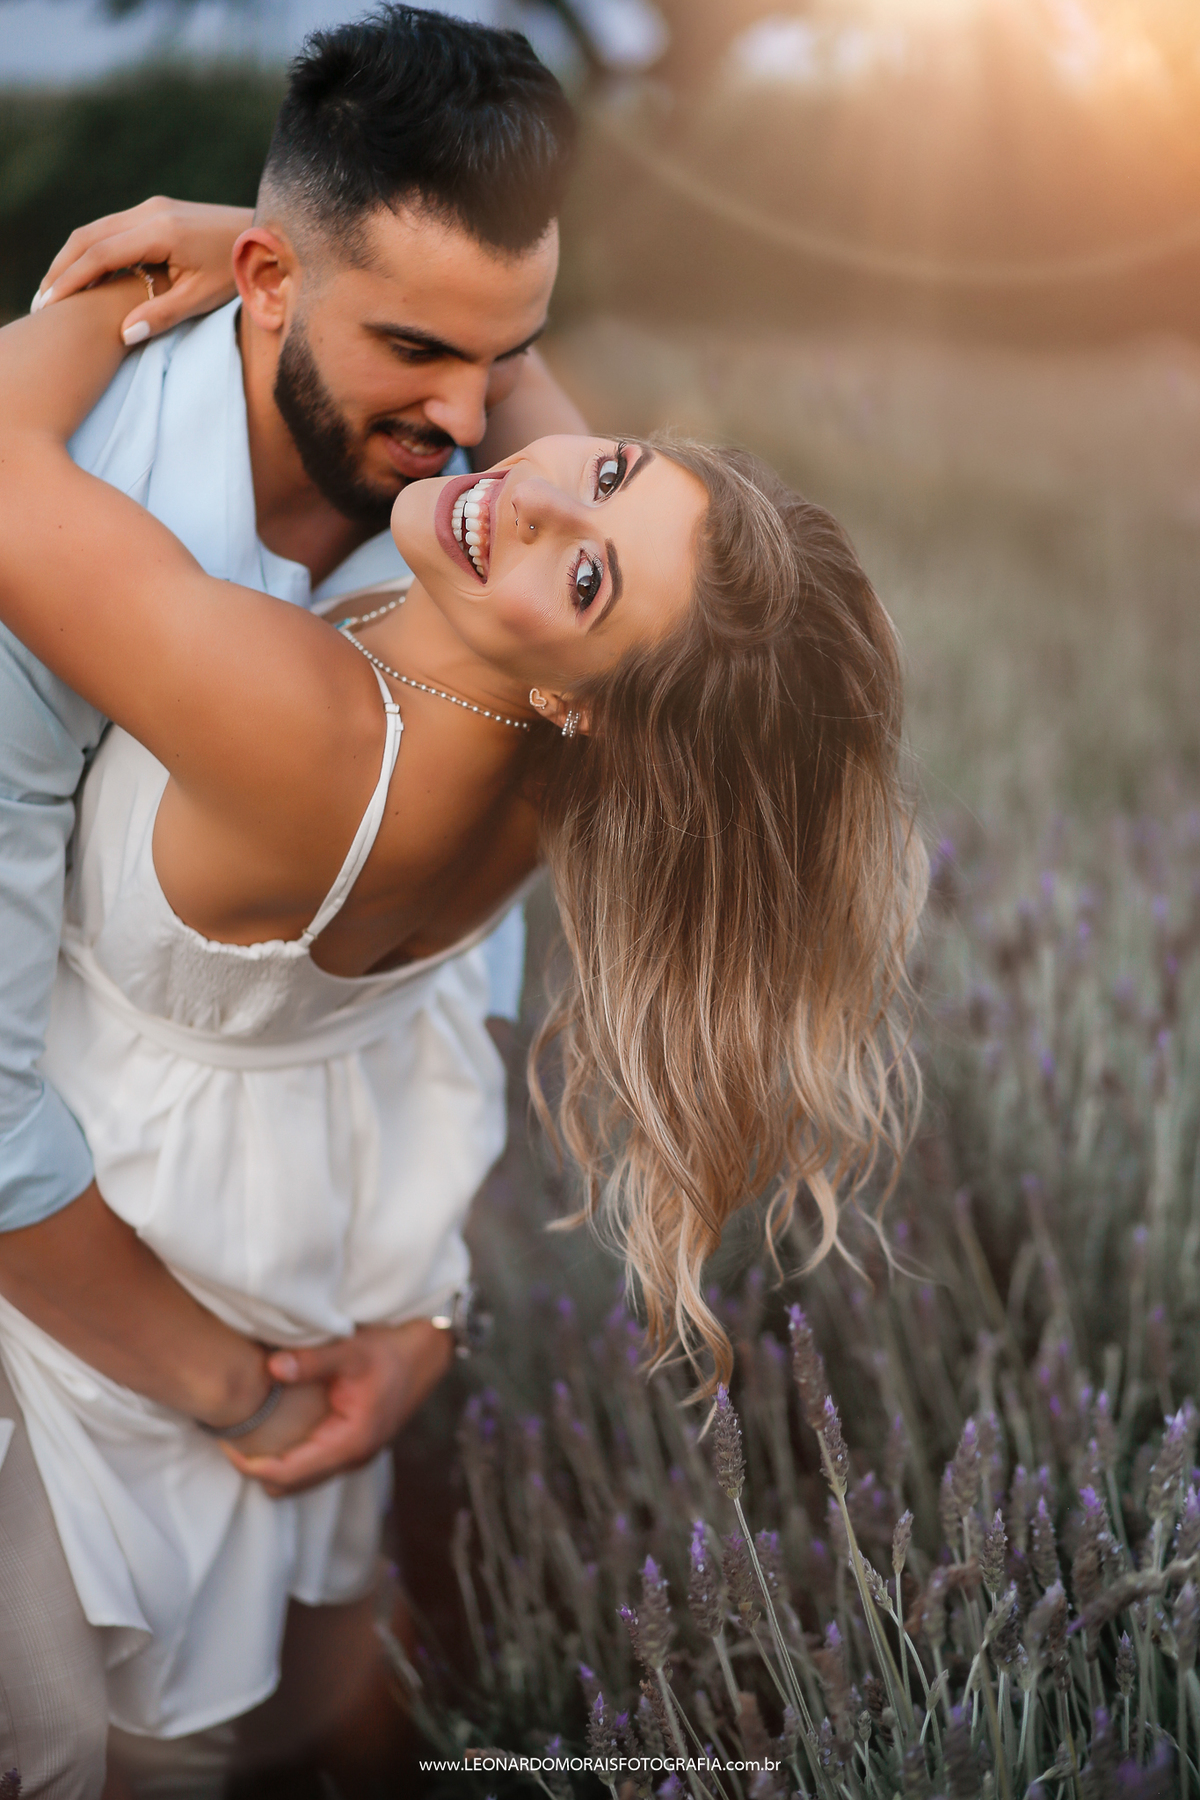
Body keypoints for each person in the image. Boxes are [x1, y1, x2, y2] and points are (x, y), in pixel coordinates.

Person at [0, 222, 926, 1788]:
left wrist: (170, 277)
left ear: (584, 692)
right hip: (317, 1222)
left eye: (589, 566)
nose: (546, 486)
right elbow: (522, 402)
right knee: (283, 1684)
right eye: (620, 472)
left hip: (129, 1234)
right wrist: (307, 241)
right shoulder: (572, 754)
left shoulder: (312, 731)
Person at [0, 10, 583, 1793]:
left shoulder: (489, 534)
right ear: (264, 278)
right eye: (413, 344)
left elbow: (468, 961)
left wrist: (414, 1302)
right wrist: (233, 1386)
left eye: (514, 356)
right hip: (78, 1322)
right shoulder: (83, 514)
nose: (472, 424)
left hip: (340, 1268)